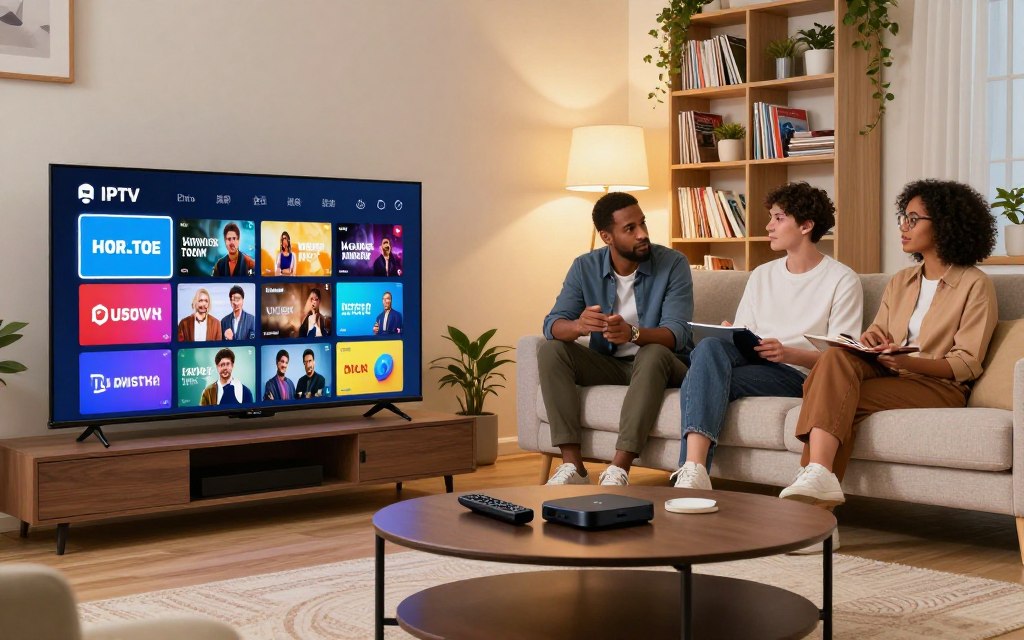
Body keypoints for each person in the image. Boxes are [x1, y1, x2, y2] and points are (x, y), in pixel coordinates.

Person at [779, 179, 998, 550]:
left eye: (914, 219)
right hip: (890, 371)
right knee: (835, 357)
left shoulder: (975, 285)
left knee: (835, 400)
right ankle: (818, 478)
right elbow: (878, 329)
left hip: (939, 387)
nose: (903, 226)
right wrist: (870, 341)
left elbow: (965, 364)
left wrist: (905, 360)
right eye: (903, 217)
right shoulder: (901, 281)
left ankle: (814, 519)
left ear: (944, 224)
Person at [671, 183, 863, 491]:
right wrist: (731, 332)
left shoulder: (841, 280)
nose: (768, 226)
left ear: (806, 225)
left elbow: (844, 357)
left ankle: (691, 469)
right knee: (709, 346)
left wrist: (788, 353)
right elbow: (747, 332)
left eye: (778, 218)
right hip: (754, 362)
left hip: (798, 375)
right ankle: (694, 472)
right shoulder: (762, 274)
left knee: (702, 380)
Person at [540, 191, 692, 487]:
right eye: (630, 228)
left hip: (664, 365)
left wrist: (633, 334)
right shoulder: (585, 266)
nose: (642, 234)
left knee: (653, 353)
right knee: (551, 350)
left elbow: (678, 333)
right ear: (606, 237)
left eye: (643, 224)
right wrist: (579, 326)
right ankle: (573, 467)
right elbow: (552, 324)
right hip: (609, 363)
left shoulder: (673, 264)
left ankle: (618, 469)